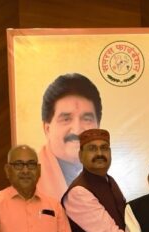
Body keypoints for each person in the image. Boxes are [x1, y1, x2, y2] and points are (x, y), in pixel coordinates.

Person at [37, 73, 102, 202]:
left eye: (87, 119)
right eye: (66, 119)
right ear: (47, 129)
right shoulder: (29, 183)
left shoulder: (108, 181)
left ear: (98, 126)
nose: (77, 130)